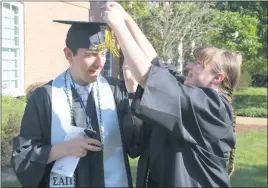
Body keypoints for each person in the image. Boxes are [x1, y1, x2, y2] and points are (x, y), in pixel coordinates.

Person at [102, 2, 240, 187]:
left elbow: (148, 77)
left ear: (217, 77)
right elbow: (156, 63)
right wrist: (127, 19)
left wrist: (119, 28)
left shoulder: (213, 107)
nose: (189, 66)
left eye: (198, 64)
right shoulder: (190, 93)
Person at [11, 20, 140, 188]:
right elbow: (23, 156)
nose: (100, 63)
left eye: (104, 53)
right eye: (90, 54)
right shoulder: (44, 97)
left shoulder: (116, 90)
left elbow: (136, 144)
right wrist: (62, 149)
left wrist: (132, 92)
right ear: (68, 55)